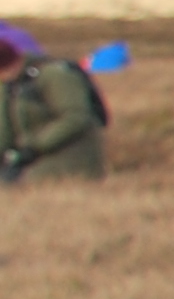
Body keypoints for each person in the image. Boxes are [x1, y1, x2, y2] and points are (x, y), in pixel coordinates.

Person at [0, 23, 108, 181]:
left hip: (67, 160)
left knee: (12, 187)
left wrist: (34, 147)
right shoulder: (12, 84)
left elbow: (75, 117)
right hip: (31, 158)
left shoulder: (54, 75)